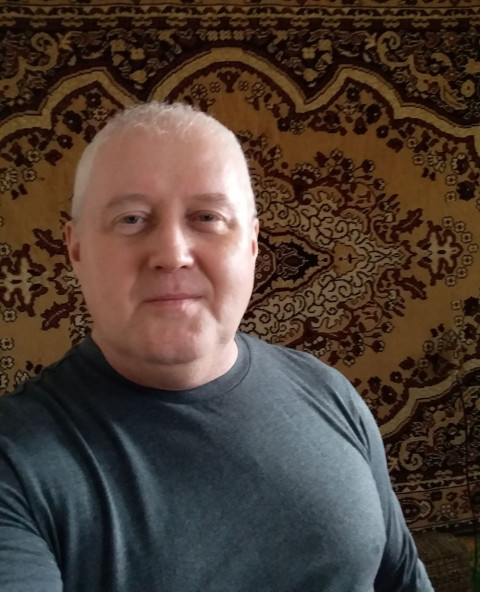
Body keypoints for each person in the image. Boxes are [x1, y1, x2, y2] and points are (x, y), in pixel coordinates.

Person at [0, 102, 434, 592]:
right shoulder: (14, 463)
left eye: (207, 217)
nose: (172, 254)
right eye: (131, 219)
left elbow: (403, 580)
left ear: (252, 243)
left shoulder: (328, 391)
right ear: (75, 247)